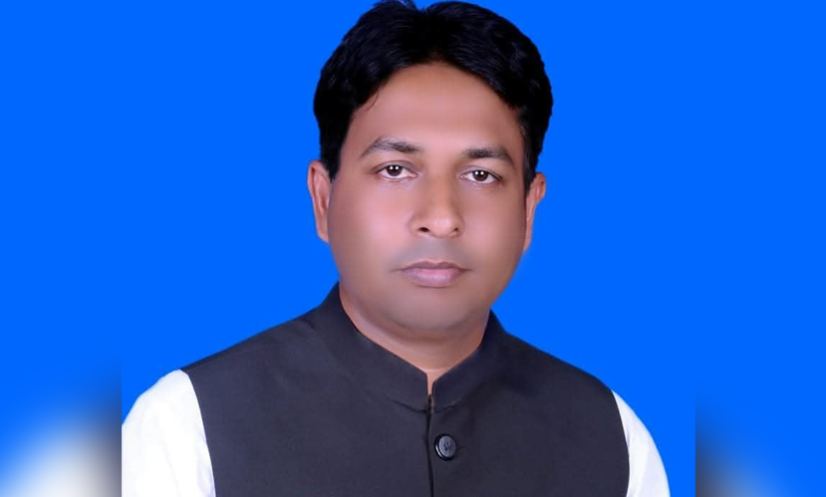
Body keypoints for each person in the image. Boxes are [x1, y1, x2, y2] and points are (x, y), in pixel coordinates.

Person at [122, 1, 669, 496]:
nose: (441, 217)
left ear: (529, 209)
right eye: (395, 170)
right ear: (323, 199)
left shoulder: (611, 438)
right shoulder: (185, 428)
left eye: (480, 174)